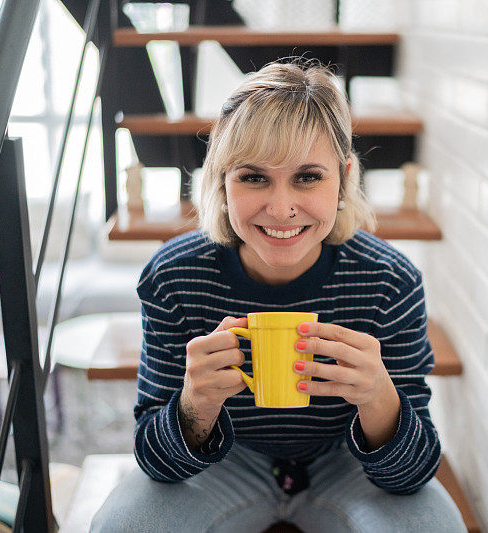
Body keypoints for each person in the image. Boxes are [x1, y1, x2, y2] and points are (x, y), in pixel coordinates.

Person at [92, 58, 467, 532]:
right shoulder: (175, 277)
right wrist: (194, 406)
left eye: (308, 177)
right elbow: (155, 461)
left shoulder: (389, 281)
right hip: (225, 461)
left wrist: (378, 399)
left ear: (343, 180)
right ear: (222, 185)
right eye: (253, 177)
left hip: (348, 460)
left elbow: (412, 475)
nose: (282, 207)